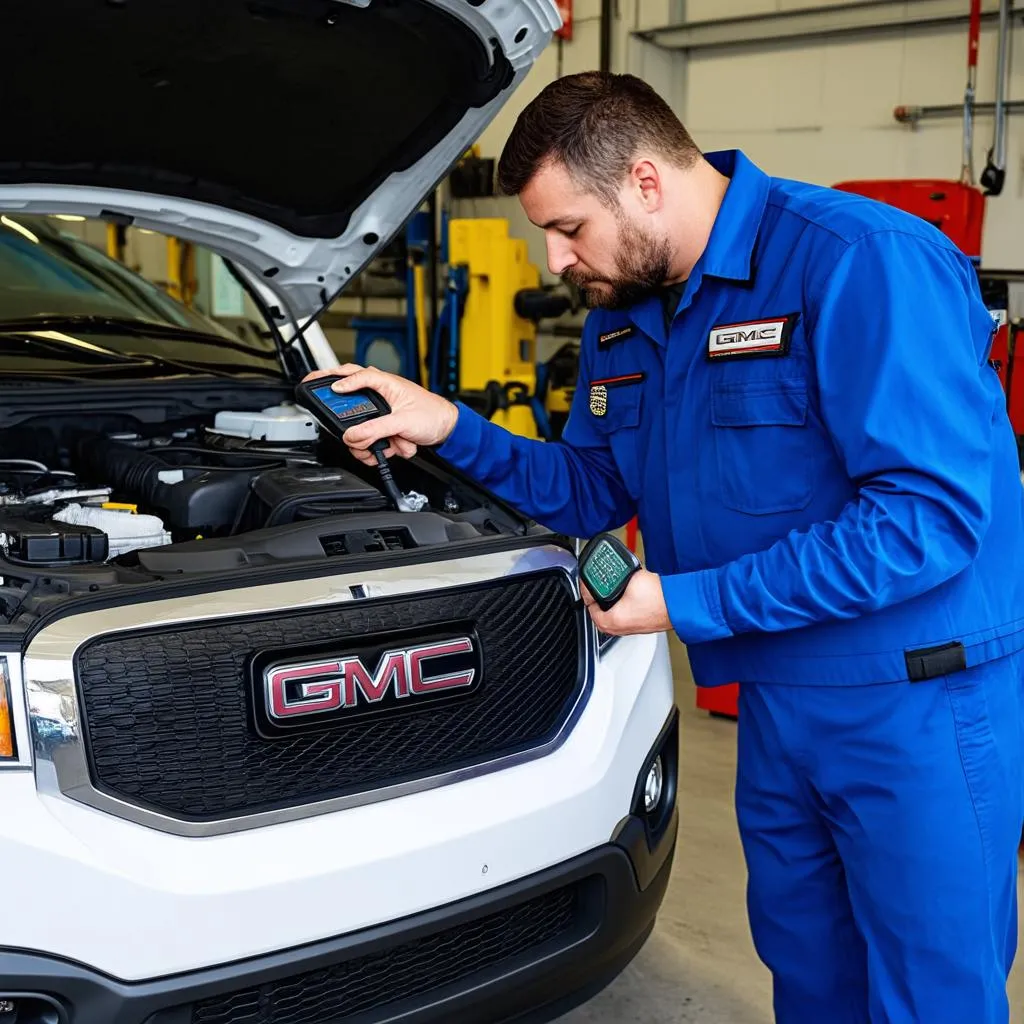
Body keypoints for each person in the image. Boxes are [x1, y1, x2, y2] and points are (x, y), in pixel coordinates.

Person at [309, 71, 1024, 1023]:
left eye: (568, 228)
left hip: (917, 704)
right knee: (810, 978)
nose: (558, 260)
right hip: (774, 699)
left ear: (645, 182)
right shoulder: (624, 311)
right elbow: (590, 488)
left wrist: (685, 604)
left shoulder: (860, 262)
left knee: (931, 995)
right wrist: (447, 426)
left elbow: (925, 521)